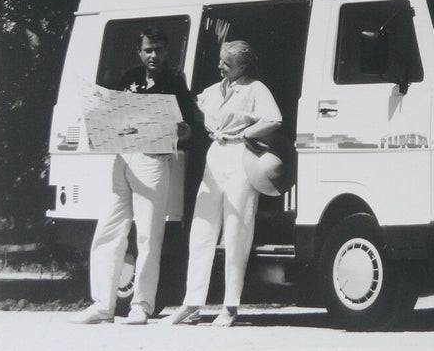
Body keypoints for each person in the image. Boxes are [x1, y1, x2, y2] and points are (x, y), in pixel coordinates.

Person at [69, 27, 193, 324]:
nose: (154, 55)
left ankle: (142, 304)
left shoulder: (175, 80)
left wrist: (175, 135)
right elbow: (114, 115)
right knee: (109, 230)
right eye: (148, 49)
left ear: (167, 51)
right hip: (123, 157)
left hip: (152, 159)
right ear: (140, 52)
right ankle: (103, 303)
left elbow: (188, 127)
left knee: (149, 234)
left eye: (159, 49)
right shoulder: (130, 78)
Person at [164, 40, 282, 327]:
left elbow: (275, 120)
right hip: (215, 155)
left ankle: (231, 306)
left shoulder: (256, 88)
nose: (220, 66)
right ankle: (191, 303)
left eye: (227, 63)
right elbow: (193, 105)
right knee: (201, 229)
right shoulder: (214, 90)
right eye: (221, 61)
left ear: (243, 65)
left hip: (242, 157)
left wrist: (245, 134)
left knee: (236, 231)